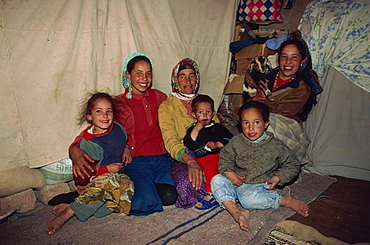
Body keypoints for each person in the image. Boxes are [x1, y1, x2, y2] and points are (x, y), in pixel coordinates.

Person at [69, 53, 178, 216]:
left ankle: (141, 187)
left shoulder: (159, 96)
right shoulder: (118, 103)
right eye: (138, 73)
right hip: (136, 161)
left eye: (148, 73)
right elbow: (97, 130)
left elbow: (175, 119)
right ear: (128, 75)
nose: (144, 78)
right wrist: (74, 149)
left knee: (172, 196)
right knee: (144, 201)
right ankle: (89, 198)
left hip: (162, 158)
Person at [211, 101, 309, 232]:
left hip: (259, 185)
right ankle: (236, 212)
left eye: (256, 122)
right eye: (246, 123)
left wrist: (278, 177)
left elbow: (293, 163)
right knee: (217, 180)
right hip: (237, 181)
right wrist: (229, 173)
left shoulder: (275, 145)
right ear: (241, 124)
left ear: (266, 124)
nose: (251, 128)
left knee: (248, 201)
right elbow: (225, 158)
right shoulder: (236, 141)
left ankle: (285, 200)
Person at [46, 92, 134, 235]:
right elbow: (83, 177)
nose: (104, 116)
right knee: (110, 181)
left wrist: (126, 149)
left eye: (108, 111)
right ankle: (68, 213)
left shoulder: (118, 128)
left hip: (114, 181)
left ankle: (78, 204)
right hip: (90, 184)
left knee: (128, 186)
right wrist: (105, 169)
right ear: (89, 116)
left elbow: (122, 142)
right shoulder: (88, 144)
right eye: (99, 111)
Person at [158, 58, 221, 209]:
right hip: (184, 156)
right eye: (182, 76)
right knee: (188, 184)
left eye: (191, 75)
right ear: (175, 79)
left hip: (209, 152)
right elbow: (171, 141)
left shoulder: (204, 102)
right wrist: (191, 162)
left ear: (197, 78)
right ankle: (217, 194)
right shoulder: (167, 107)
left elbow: (217, 129)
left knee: (230, 172)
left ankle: (219, 192)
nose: (188, 81)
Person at [247, 31, 322, 124]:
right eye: (284, 56)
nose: (288, 61)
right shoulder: (265, 77)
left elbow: (280, 115)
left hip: (282, 132)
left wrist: (260, 92)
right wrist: (249, 101)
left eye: (294, 57)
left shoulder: (302, 89)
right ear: (278, 59)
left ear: (303, 60)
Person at [183, 94, 234, 209]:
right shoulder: (193, 129)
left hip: (216, 156)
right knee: (194, 174)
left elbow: (230, 139)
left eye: (208, 112)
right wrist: (197, 128)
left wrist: (217, 144)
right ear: (194, 115)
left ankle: (211, 194)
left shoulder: (217, 128)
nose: (204, 115)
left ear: (213, 113)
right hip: (198, 159)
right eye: (200, 112)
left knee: (212, 169)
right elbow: (189, 144)